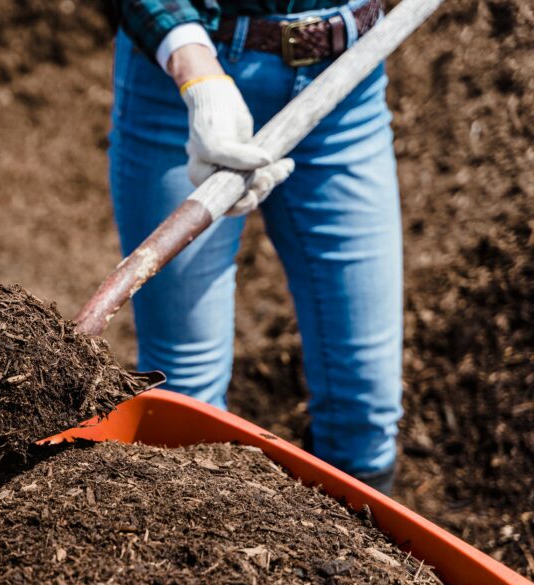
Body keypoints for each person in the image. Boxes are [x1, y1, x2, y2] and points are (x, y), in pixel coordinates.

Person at [111, 0, 401, 493]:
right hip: (187, 82)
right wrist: (198, 74)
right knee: (187, 398)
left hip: (346, 80)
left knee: (366, 405)